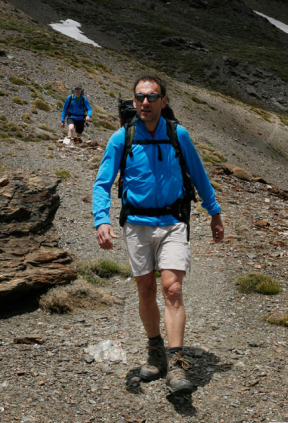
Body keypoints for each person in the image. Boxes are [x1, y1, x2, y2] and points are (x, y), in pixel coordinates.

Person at [92, 75, 225, 395]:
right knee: (146, 289)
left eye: (152, 97)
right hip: (136, 224)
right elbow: (102, 182)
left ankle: (176, 364)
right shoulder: (121, 138)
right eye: (140, 97)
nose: (146, 103)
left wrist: (214, 212)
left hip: (173, 222)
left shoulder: (179, 135)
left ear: (164, 101)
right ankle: (155, 352)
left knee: (172, 288)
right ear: (134, 101)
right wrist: (101, 220)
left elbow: (199, 175)